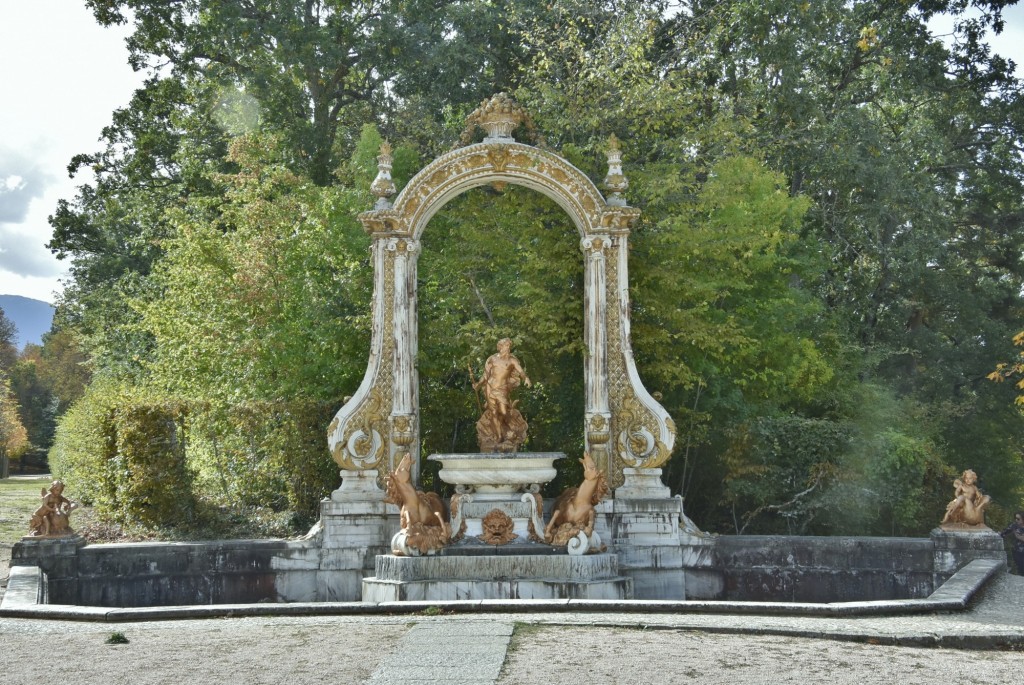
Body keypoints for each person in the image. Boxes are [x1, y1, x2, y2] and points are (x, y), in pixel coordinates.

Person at [472, 338, 531, 451]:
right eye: (505, 346)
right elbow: (485, 375)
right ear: (500, 347)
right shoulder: (493, 359)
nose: (508, 348)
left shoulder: (512, 361)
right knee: (493, 413)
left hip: (503, 389)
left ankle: (511, 428)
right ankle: (499, 436)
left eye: (509, 346)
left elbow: (520, 371)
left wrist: (526, 378)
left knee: (504, 412)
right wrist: (478, 385)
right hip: (490, 388)